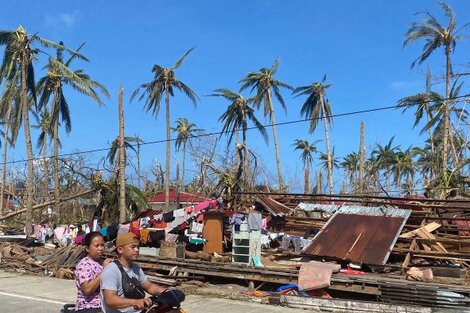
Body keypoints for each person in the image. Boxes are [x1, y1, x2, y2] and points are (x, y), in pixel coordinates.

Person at [100, 233, 171, 313]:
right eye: (133, 247)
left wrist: (168, 292)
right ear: (120, 249)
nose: (137, 250)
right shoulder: (111, 270)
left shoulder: (136, 268)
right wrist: (135, 302)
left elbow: (149, 287)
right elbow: (110, 300)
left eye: (137, 247)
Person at [75, 231, 113, 313]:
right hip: (89, 307)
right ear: (87, 248)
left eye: (102, 245)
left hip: (104, 305)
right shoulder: (84, 265)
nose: (100, 248)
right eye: (97, 246)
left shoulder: (101, 262)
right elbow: (87, 289)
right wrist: (105, 271)